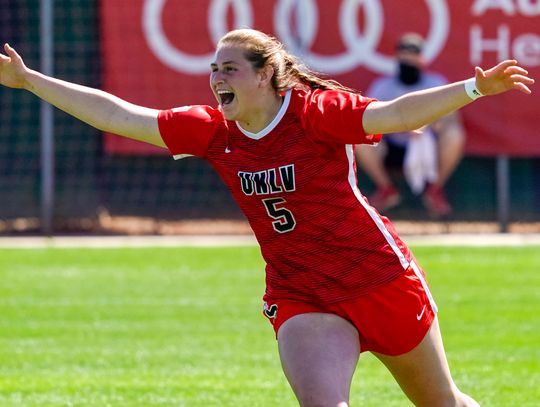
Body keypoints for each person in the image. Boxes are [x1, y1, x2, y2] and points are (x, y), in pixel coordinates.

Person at [0, 29, 533, 406]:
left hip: (378, 278)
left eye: (229, 68)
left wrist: (473, 89)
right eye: (213, 69)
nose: (216, 78)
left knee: (442, 403)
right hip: (302, 291)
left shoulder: (314, 113)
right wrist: (31, 82)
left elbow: (394, 115)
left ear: (267, 75)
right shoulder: (214, 131)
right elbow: (119, 115)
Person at [356, 33, 466, 217]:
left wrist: (427, 124)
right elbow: (369, 118)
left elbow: (451, 118)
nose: (408, 62)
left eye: (413, 57)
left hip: (427, 146)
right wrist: (403, 125)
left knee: (455, 134)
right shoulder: (383, 86)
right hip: (392, 144)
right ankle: (386, 189)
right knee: (359, 138)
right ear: (397, 58)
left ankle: (435, 190)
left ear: (421, 59)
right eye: (404, 57)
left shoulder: (436, 83)